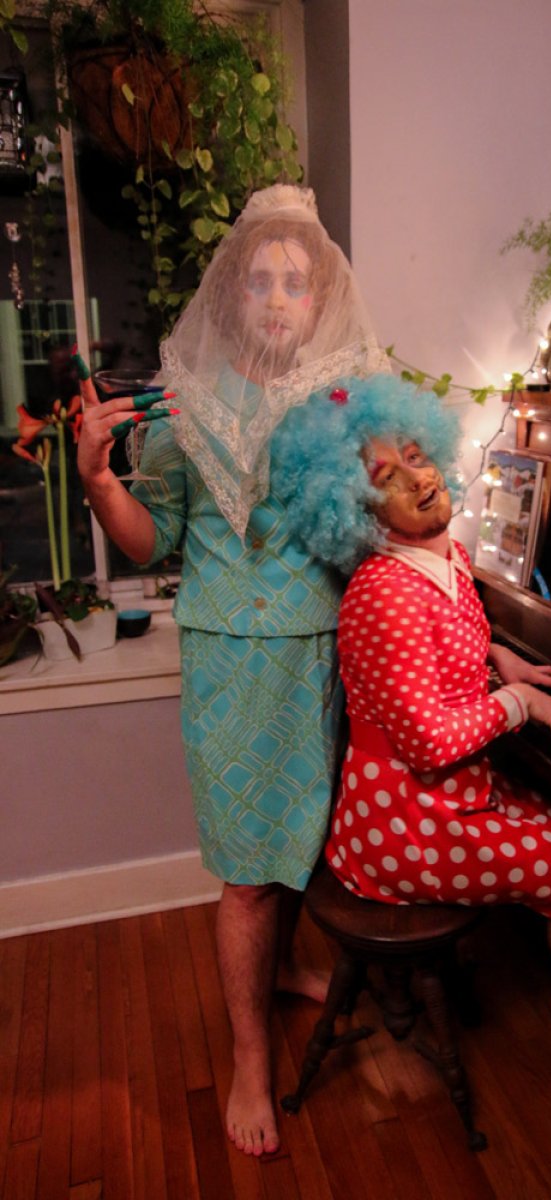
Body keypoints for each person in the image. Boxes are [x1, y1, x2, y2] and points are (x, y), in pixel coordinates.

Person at [77, 185, 390, 1157]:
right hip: (228, 664)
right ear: (229, 296)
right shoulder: (183, 410)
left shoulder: (347, 408)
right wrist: (97, 481)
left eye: (294, 283)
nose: (275, 298)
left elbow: (371, 541)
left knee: (298, 849)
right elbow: (146, 541)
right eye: (257, 279)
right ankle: (249, 1058)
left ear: (320, 298)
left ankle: (284, 967)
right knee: (247, 879)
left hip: (319, 658)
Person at [271, 374, 551, 1050]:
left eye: (417, 457)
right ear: (354, 507)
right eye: (385, 477)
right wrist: (519, 702)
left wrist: (498, 659)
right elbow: (426, 743)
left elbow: (444, 649)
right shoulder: (385, 593)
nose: (417, 480)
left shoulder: (441, 554)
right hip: (404, 823)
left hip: (444, 800)